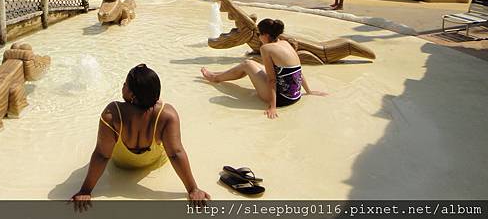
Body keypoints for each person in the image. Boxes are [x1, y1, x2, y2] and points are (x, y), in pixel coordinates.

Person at [71, 64, 210, 208]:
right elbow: (175, 153)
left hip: (120, 165)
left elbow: (102, 155)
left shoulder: (112, 114)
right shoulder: (167, 115)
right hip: (154, 164)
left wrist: (85, 190)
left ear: (131, 95)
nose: (123, 86)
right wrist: (193, 189)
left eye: (125, 84)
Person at [201, 19, 326, 119]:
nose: (259, 37)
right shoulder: (285, 43)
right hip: (295, 94)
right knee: (251, 63)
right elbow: (297, 71)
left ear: (265, 35)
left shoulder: (266, 49)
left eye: (259, 34)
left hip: (282, 99)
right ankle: (218, 75)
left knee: (247, 64)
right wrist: (308, 91)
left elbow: (272, 80)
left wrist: (272, 106)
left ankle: (215, 78)